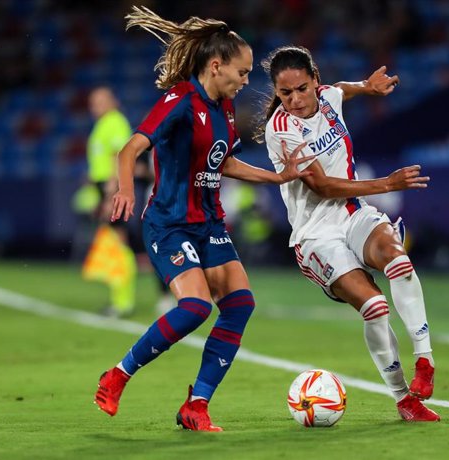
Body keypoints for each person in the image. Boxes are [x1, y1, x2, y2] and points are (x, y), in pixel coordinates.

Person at [93, 7, 312, 432]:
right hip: (170, 223)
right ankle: (118, 374)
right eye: (243, 72)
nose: (247, 81)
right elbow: (129, 150)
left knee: (239, 305)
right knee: (194, 307)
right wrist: (124, 188)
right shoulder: (180, 100)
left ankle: (196, 405)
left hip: (210, 224)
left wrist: (276, 176)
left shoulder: (224, 107)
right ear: (217, 66)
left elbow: (222, 161)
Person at [259, 46, 440, 422]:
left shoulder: (327, 97)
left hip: (353, 213)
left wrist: (367, 87)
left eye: (301, 89)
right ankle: (404, 399)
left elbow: (340, 89)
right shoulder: (281, 129)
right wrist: (387, 184)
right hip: (315, 236)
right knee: (375, 307)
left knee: (398, 261)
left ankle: (425, 360)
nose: (294, 100)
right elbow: (323, 187)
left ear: (315, 81)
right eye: (285, 93)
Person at [83, 86, 137, 318]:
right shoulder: (103, 124)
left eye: (101, 101)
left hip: (111, 188)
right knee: (114, 242)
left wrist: (110, 194)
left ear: (113, 101)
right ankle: (119, 298)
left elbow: (118, 157)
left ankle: (123, 301)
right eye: (93, 102)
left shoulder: (115, 122)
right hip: (104, 187)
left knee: (119, 242)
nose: (95, 106)